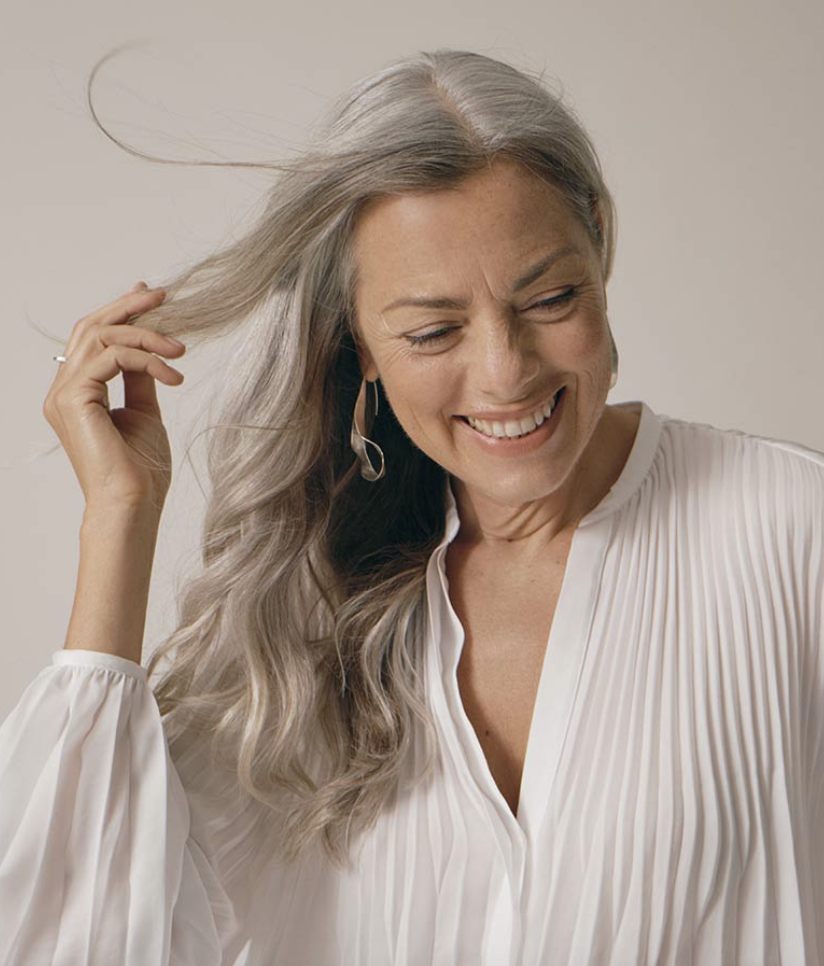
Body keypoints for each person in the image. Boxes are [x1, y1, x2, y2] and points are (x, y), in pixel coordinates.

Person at [1, 47, 823, 966]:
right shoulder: (297, 632)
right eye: (433, 331)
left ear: (600, 247)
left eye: (550, 298)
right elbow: (77, 938)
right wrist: (120, 518)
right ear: (360, 340)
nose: (507, 372)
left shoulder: (792, 532)